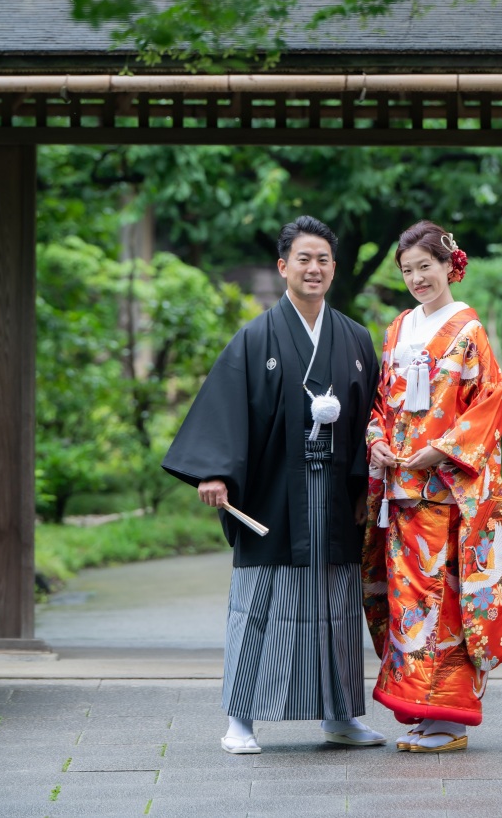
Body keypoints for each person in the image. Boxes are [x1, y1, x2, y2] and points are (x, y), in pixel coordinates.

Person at [162, 215, 385, 754]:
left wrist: (366, 489)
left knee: (335, 604)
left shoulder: (354, 338)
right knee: (260, 602)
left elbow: (375, 418)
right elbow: (226, 407)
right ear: (283, 266)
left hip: (334, 495)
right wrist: (214, 470)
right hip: (270, 492)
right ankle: (241, 719)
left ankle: (341, 717)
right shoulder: (256, 337)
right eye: (304, 259)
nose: (314, 268)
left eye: (323, 259)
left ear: (334, 269)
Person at [362, 220, 502, 753]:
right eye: (408, 270)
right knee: (409, 603)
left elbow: (488, 404)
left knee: (447, 603)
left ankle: (452, 719)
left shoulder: (469, 331)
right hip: (401, 490)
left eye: (426, 267)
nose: (418, 278)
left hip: (446, 490)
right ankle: (424, 710)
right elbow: (382, 402)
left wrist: (440, 449)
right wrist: (375, 439)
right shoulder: (398, 329)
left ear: (449, 266)